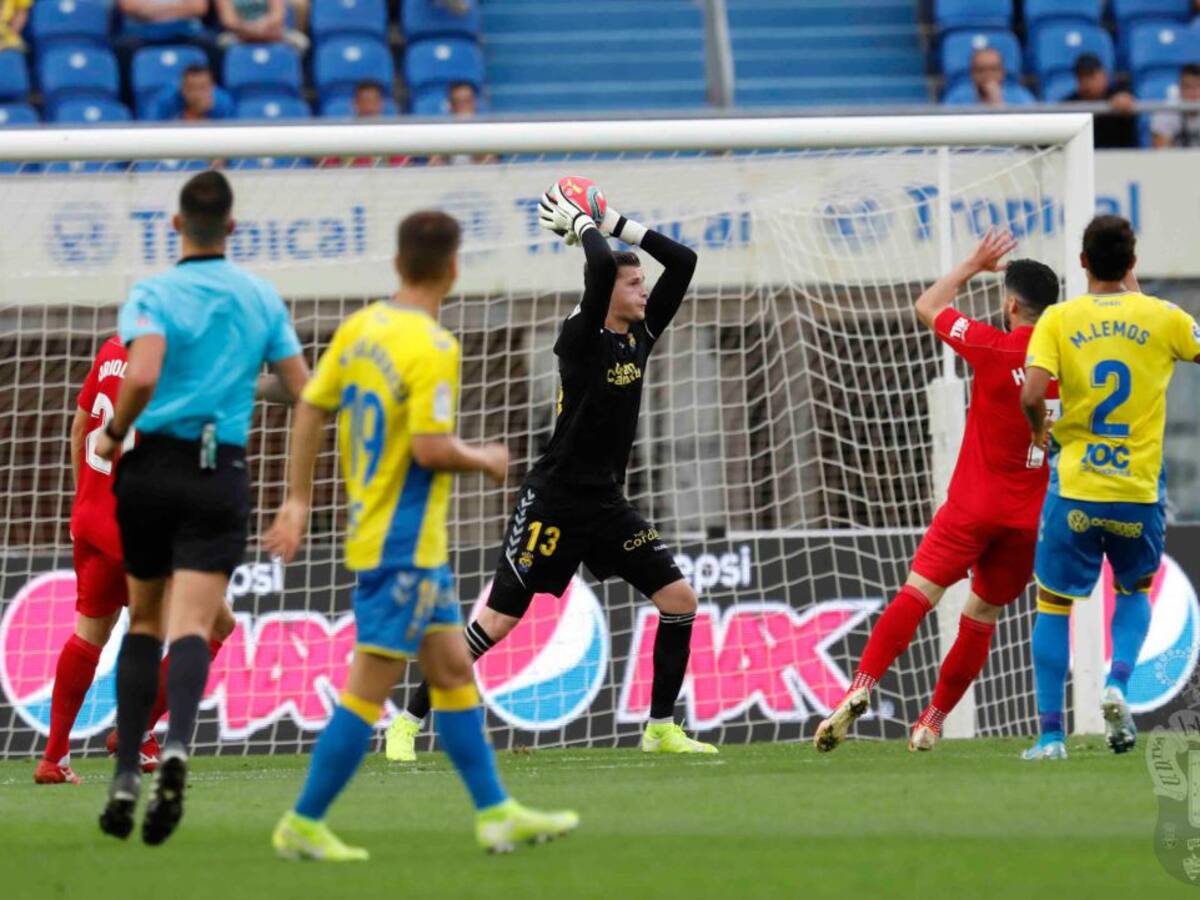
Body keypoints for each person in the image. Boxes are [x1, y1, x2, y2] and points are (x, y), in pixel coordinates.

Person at [264, 210, 578, 861]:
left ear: (397, 262)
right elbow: (431, 449)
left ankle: (495, 812)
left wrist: (297, 499)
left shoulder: (360, 328)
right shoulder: (433, 347)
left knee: (454, 671)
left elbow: (312, 404)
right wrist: (485, 458)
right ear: (453, 269)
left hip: (398, 540)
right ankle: (303, 820)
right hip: (400, 543)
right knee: (368, 688)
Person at [386, 181, 715, 762]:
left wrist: (614, 221)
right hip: (554, 501)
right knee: (497, 622)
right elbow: (598, 268)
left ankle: (660, 727)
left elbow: (684, 262)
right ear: (607, 293)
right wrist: (583, 225)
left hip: (607, 504)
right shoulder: (580, 336)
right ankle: (407, 723)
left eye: (643, 282)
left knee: (679, 598)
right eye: (634, 284)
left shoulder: (640, 335)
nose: (644, 290)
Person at [95, 170, 310, 844]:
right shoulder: (258, 296)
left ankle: (125, 773)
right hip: (221, 472)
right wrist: (296, 497)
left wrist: (113, 430)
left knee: (144, 620)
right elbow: (305, 392)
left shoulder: (153, 292)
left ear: (176, 225)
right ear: (233, 228)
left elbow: (143, 372)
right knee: (193, 625)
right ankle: (179, 746)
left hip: (152, 467)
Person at [814, 231, 1061, 753]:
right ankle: (931, 720)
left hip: (972, 507)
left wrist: (973, 263)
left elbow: (927, 304)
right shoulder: (1069, 363)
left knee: (919, 593)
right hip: (1027, 518)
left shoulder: (993, 346)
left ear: (1011, 305)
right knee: (982, 617)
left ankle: (861, 686)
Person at [1020, 215, 1200, 760]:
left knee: (1054, 603)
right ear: (1133, 262)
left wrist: (1040, 431)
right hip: (1136, 492)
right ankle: (1118, 683)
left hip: (1076, 489)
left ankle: (1051, 737)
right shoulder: (1164, 318)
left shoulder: (1058, 318)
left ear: (1081, 262)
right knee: (1134, 591)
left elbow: (1032, 394)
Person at [34, 336, 238, 786]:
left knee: (90, 633)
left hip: (92, 520)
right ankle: (138, 730)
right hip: (143, 526)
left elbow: (80, 427)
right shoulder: (175, 369)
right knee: (212, 624)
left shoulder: (110, 350)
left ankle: (54, 757)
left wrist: (83, 501)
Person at [1064, 53, 1138, 149]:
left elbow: (1127, 100)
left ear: (1103, 75)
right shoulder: (1070, 104)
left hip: (1120, 154)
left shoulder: (1118, 94)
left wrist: (1124, 101)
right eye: (1081, 77)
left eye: (1091, 76)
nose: (1086, 82)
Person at [427, 82, 497, 166]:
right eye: (458, 102)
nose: (463, 107)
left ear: (474, 103)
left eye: (467, 101)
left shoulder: (486, 132)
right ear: (450, 105)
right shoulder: (440, 134)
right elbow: (434, 164)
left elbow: (490, 163)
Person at [944, 47, 1035, 107]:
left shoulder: (1020, 96)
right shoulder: (957, 98)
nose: (988, 75)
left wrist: (999, 103)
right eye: (981, 70)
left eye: (993, 69)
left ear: (1002, 72)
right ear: (972, 73)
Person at [148, 65, 234, 122]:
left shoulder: (224, 105)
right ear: (183, 90)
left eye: (205, 87)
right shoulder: (165, 105)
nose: (201, 94)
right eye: (195, 88)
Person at [215, 0, 308, 52]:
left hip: (270, 31)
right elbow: (229, 20)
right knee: (222, 44)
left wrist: (262, 27)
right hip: (238, 33)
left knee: (300, 42)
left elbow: (277, 15)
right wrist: (248, 29)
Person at [1151, 64, 1200, 149]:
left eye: (1198, 87)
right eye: (1187, 87)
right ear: (1179, 88)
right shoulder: (1166, 111)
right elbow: (1160, 152)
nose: (1193, 93)